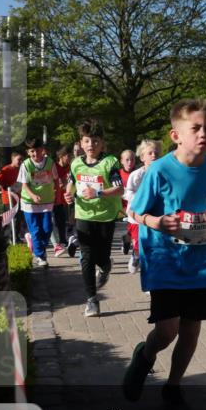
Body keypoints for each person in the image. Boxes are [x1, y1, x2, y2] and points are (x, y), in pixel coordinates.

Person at [122, 99, 206, 410]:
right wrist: (155, 221)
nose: (203, 134)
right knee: (167, 330)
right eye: (196, 128)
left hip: (201, 262)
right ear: (176, 135)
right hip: (165, 260)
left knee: (191, 328)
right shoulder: (159, 171)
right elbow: (135, 211)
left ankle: (173, 386)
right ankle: (145, 355)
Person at [66, 119, 124, 317]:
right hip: (84, 215)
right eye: (87, 141)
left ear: (102, 144)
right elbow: (71, 182)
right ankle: (91, 300)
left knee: (101, 257)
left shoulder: (110, 163)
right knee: (86, 258)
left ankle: (106, 266)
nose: (92, 145)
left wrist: (98, 193)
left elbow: (119, 188)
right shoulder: (76, 164)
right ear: (81, 143)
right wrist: (68, 193)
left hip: (105, 216)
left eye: (96, 141)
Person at [124, 140, 162, 275]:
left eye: (156, 153)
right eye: (150, 153)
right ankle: (135, 255)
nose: (153, 155)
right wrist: (142, 199)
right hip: (137, 217)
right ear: (142, 157)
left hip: (155, 217)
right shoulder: (136, 175)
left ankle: (151, 281)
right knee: (140, 247)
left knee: (153, 248)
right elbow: (127, 192)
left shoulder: (162, 174)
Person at [18, 138, 56, 268]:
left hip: (47, 201)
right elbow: (24, 185)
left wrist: (58, 190)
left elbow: (56, 180)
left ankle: (35, 244)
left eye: (38, 150)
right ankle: (40, 256)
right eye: (32, 151)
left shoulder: (50, 163)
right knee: (36, 230)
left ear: (43, 150)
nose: (35, 153)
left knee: (47, 229)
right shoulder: (26, 165)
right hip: (30, 202)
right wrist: (33, 196)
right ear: (28, 152)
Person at [0, 151, 27, 243]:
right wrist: (4, 188)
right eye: (18, 159)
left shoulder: (20, 169)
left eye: (22, 159)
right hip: (8, 198)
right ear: (12, 159)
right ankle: (9, 238)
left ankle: (15, 237)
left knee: (19, 217)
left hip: (18, 197)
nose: (20, 161)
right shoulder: (6, 169)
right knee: (12, 218)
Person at [52, 146, 72, 257]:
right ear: (61, 156)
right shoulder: (54, 166)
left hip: (63, 199)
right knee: (51, 222)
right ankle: (55, 244)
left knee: (62, 220)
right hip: (51, 198)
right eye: (67, 156)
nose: (69, 158)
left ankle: (63, 241)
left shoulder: (69, 167)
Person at [119, 149, 137, 255]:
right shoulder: (117, 174)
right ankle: (127, 239)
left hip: (133, 206)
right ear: (121, 161)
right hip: (120, 206)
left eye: (132, 159)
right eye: (127, 160)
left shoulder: (139, 173)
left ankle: (127, 239)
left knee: (133, 227)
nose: (130, 162)